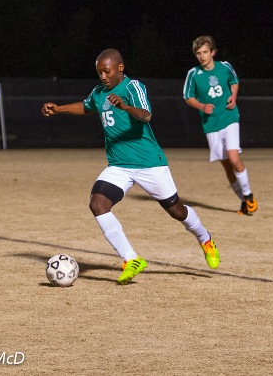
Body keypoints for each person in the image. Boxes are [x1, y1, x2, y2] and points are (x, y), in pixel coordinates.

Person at [42, 48, 220, 284]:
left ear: (120, 68)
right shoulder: (98, 92)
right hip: (119, 165)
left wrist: (125, 106)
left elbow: (146, 115)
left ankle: (204, 238)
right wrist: (59, 109)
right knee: (98, 203)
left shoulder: (132, 87)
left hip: (148, 163)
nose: (103, 77)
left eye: (106, 71)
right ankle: (131, 259)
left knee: (177, 210)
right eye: (99, 73)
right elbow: (87, 107)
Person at [182, 36, 257, 215]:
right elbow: (187, 96)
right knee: (226, 164)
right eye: (198, 53)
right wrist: (201, 106)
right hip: (211, 124)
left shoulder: (225, 67)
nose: (202, 56)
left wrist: (234, 96)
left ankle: (248, 195)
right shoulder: (193, 74)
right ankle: (243, 202)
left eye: (205, 52)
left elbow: (234, 81)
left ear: (213, 52)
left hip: (229, 116)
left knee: (233, 158)